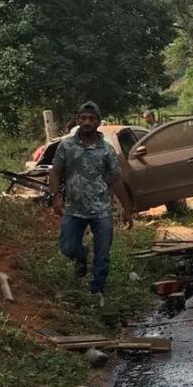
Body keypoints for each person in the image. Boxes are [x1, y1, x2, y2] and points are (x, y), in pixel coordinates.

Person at [49, 100, 134, 298]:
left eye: (91, 119)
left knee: (103, 253)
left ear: (98, 122)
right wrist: (55, 197)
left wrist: (127, 210)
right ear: (78, 120)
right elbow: (55, 172)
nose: (87, 122)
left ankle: (97, 290)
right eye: (83, 118)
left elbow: (116, 180)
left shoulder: (106, 150)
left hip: (101, 210)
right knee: (68, 247)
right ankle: (81, 255)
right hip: (74, 209)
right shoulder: (66, 146)